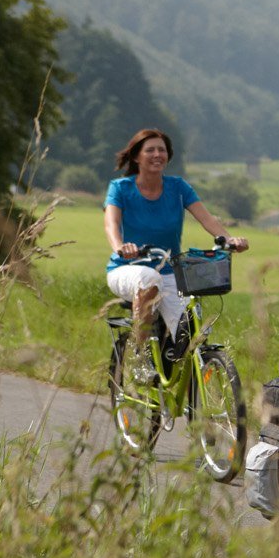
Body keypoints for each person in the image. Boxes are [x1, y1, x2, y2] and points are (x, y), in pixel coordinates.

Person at [104, 128, 249, 374]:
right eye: (150, 150)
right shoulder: (120, 188)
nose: (157, 154)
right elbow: (111, 224)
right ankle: (139, 357)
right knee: (148, 279)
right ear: (137, 156)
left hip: (170, 271)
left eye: (162, 150)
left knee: (190, 334)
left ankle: (184, 391)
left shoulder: (178, 187)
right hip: (127, 268)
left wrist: (228, 239)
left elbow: (207, 219)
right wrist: (120, 247)